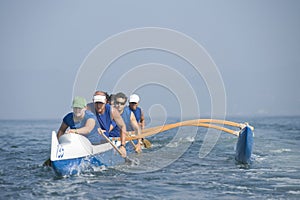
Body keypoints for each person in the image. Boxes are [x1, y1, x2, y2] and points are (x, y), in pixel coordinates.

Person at [87, 91, 127, 157]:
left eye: (101, 103)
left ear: (105, 101)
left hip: (103, 141)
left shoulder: (112, 111)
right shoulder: (87, 109)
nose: (98, 106)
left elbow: (122, 126)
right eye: (96, 103)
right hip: (89, 141)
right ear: (93, 101)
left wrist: (123, 146)